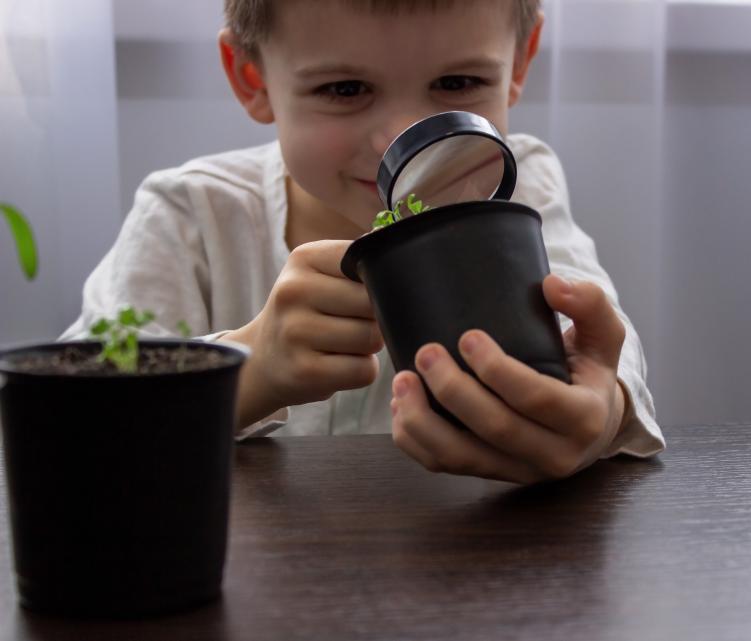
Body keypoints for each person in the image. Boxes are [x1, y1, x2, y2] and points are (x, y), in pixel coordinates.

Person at [63, 0, 665, 484]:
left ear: (520, 63)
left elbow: (604, 351)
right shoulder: (190, 215)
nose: (399, 141)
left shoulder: (521, 183)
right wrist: (250, 366)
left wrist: (603, 405)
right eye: (345, 89)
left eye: (457, 83)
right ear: (253, 78)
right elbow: (69, 417)